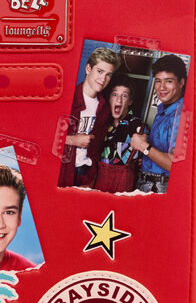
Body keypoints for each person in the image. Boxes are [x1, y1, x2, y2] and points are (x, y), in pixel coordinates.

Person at [58, 46, 121, 188]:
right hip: (61, 174)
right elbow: (39, 137)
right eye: (100, 71)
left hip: (85, 177)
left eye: (108, 75)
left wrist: (90, 177)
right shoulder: (67, 98)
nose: (103, 79)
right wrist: (72, 140)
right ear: (88, 69)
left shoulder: (104, 107)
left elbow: (97, 146)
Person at [131, 54, 188, 194]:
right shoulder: (163, 109)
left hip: (161, 188)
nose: (161, 87)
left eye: (168, 81)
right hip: (147, 183)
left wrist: (144, 147)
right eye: (158, 81)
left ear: (181, 82)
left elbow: (175, 165)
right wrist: (147, 158)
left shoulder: (182, 116)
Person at [94, 74, 146, 194]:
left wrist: (142, 160)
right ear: (109, 98)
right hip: (97, 181)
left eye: (124, 95)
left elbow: (146, 159)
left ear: (130, 101)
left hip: (123, 186)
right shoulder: (101, 122)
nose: (119, 100)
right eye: (115, 94)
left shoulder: (139, 127)